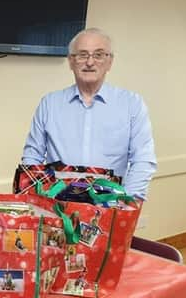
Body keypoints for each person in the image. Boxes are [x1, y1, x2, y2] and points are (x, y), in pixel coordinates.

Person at [21, 28, 156, 200]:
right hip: (58, 205)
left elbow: (143, 159)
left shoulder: (132, 104)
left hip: (111, 203)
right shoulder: (49, 103)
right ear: (71, 61)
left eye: (99, 55)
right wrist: (35, 199)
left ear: (110, 62)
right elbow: (32, 157)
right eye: (82, 55)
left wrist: (126, 202)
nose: (90, 62)